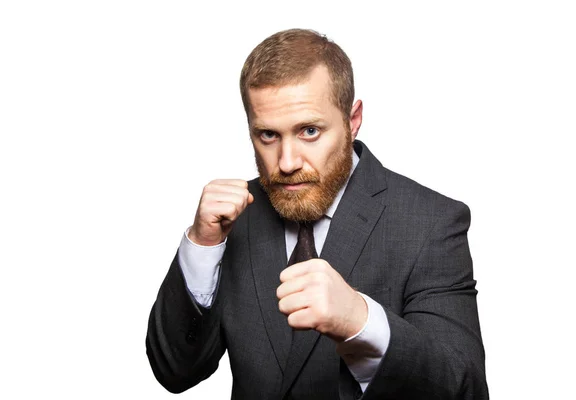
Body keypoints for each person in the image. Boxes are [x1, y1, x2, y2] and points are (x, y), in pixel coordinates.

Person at [146, 28, 488, 399]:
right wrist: (202, 246)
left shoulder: (430, 222)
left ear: (352, 119)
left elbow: (465, 387)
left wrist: (362, 321)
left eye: (309, 131)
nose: (287, 163)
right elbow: (174, 372)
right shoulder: (233, 221)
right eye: (268, 136)